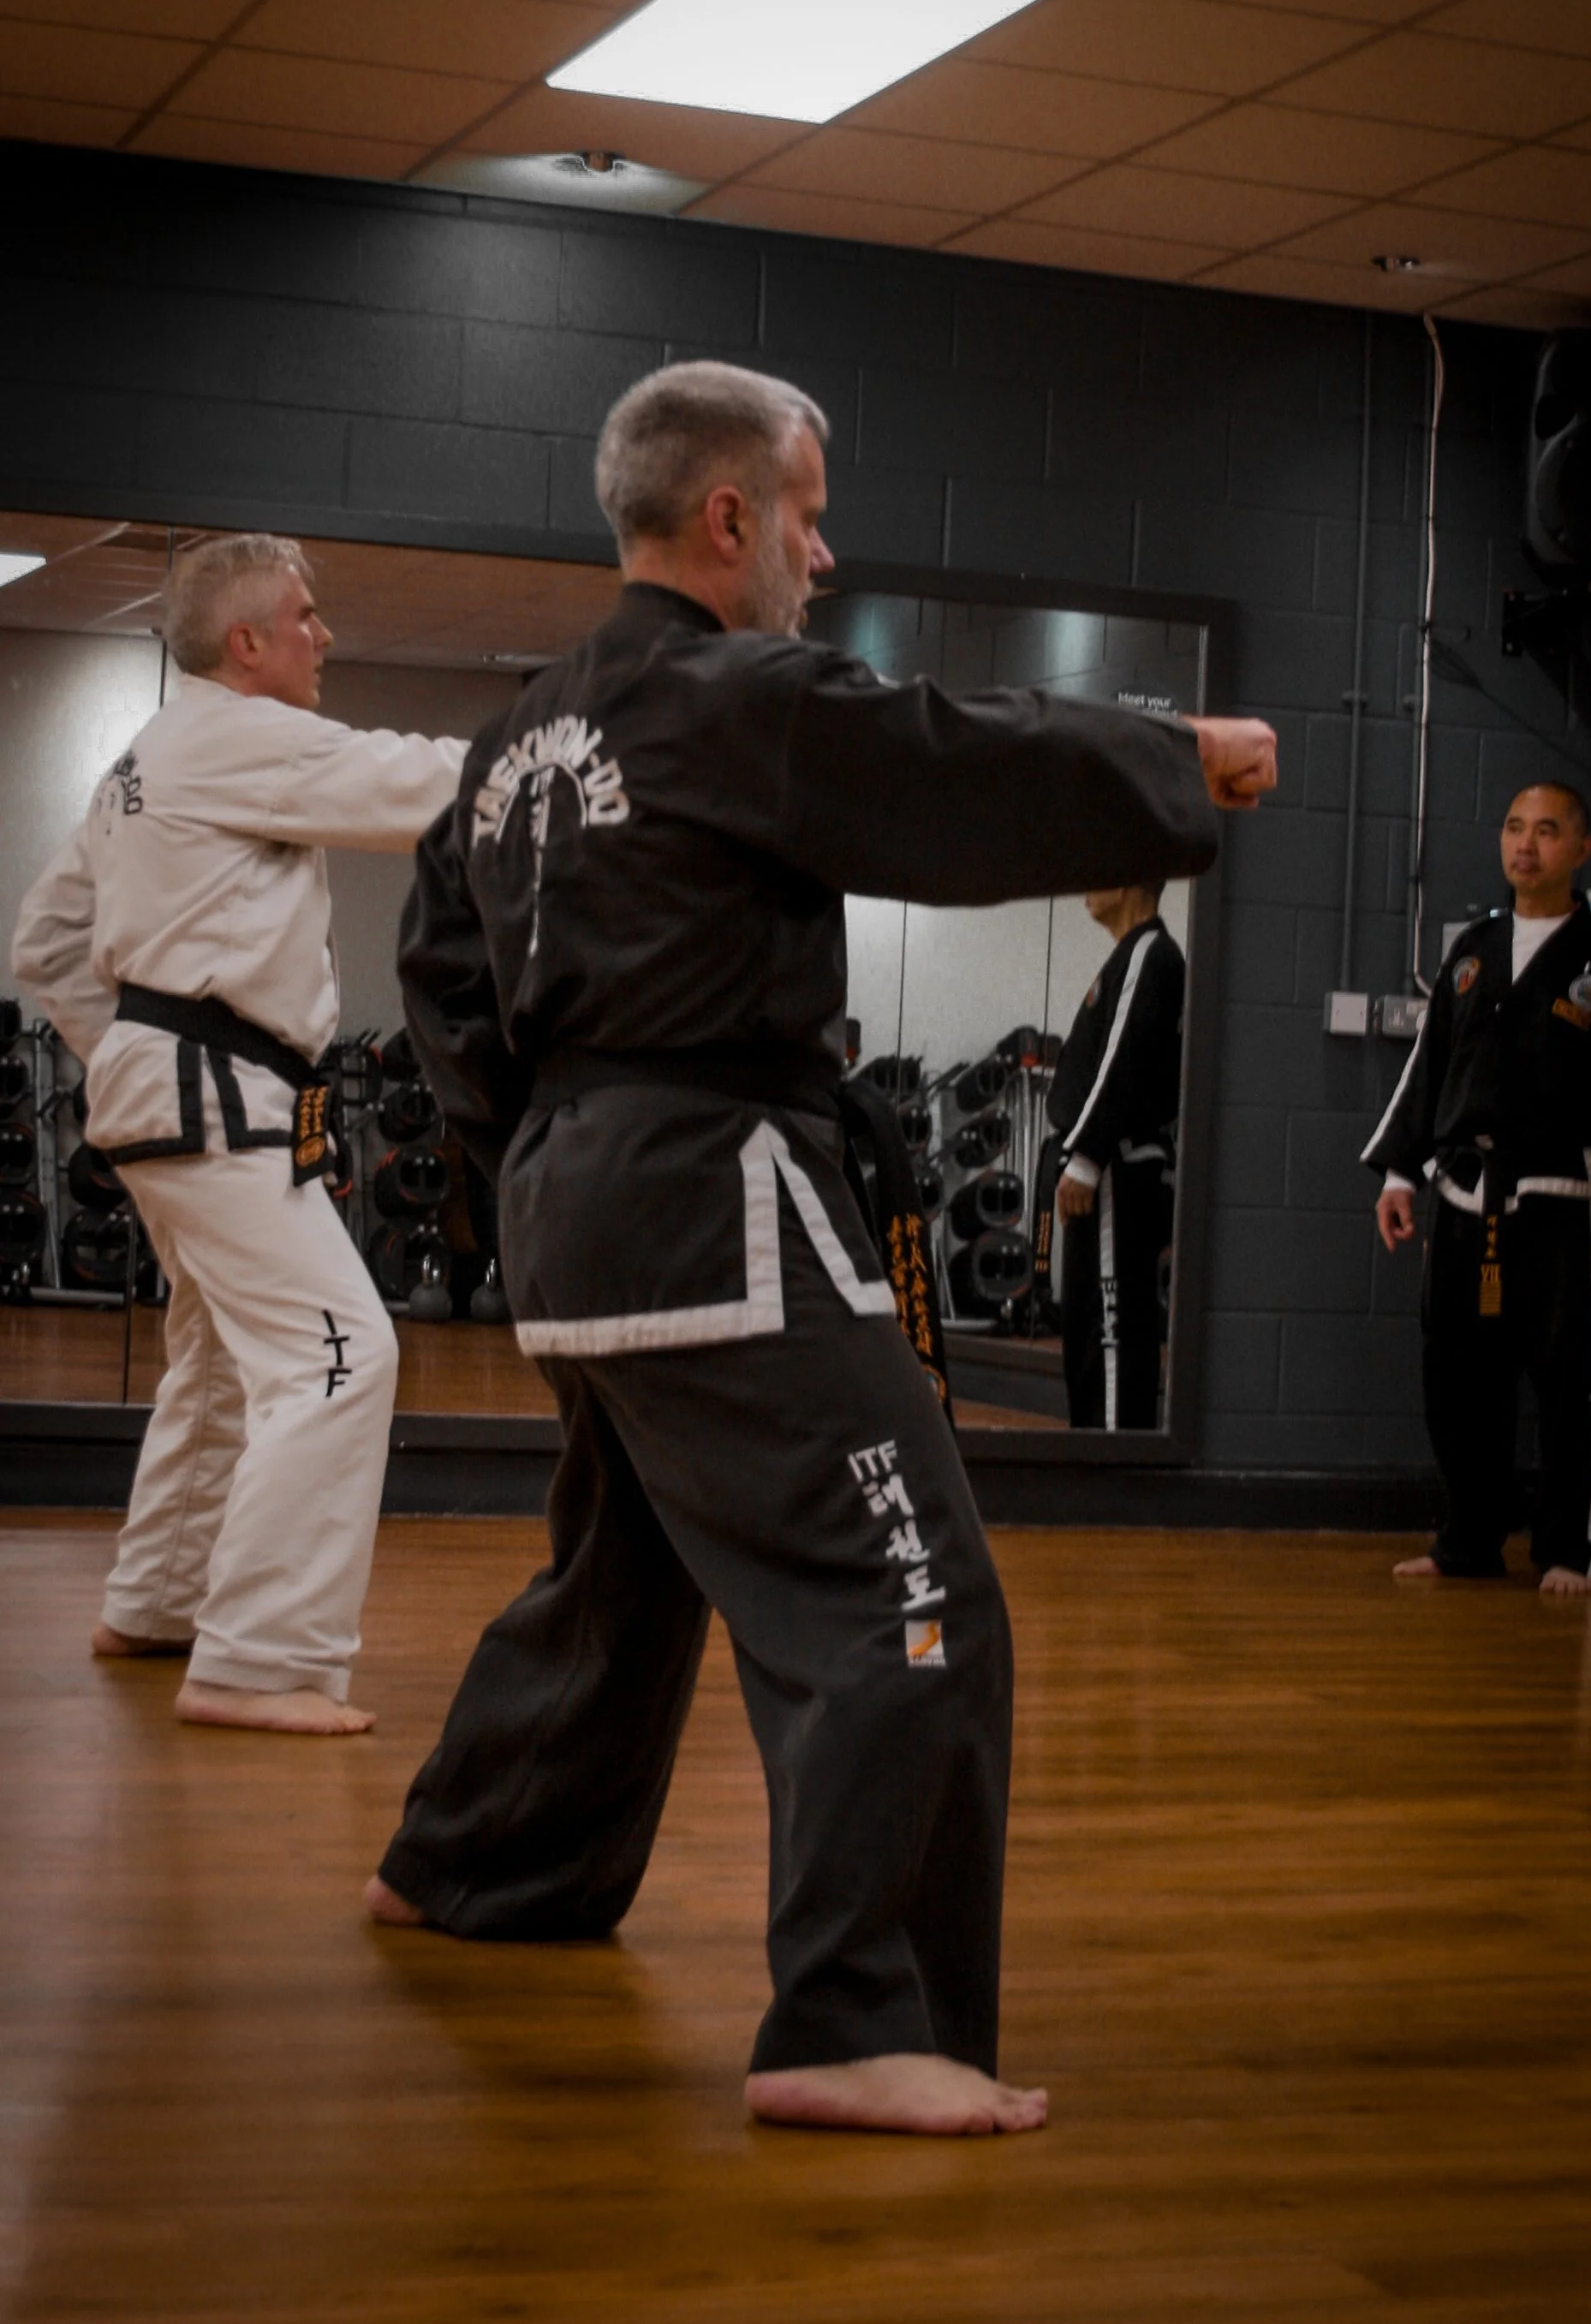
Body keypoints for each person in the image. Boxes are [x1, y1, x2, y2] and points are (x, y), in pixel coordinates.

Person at [364, 360, 1278, 2136]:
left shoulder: (520, 731)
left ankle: (477, 1860)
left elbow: (438, 978)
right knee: (908, 1583)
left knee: (624, 1568)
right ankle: (856, 2011)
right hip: (715, 1189)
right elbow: (936, 756)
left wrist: (546, 1153)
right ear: (727, 518)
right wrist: (1170, 758)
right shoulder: (729, 691)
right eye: (806, 506)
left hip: (575, 1202)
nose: (820, 541)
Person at [11, 535, 466, 1732]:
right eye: (305, 617)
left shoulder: (136, 766)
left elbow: (44, 946)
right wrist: (578, 754)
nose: (325, 636)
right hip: (214, 1102)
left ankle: (156, 1603)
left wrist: (128, 1056)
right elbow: (409, 781)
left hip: (184, 1102)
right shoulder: (234, 732)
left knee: (217, 1369)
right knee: (341, 1355)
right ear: (245, 642)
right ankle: (261, 1658)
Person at [1365, 782, 1591, 1594]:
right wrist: (1400, 1172)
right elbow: (1428, 1070)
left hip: (1561, 1198)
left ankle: (1575, 1548)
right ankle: (1468, 1539)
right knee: (1457, 1377)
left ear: (1580, 848)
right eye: (1512, 827)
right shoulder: (1471, 947)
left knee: (1571, 1382)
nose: (1524, 843)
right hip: (1464, 1198)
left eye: (1546, 830)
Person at [1046, 882, 1183, 1427]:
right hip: (1104, 1172)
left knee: (1109, 1337)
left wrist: (1086, 1157)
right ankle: (1094, 1453)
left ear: (1131, 880)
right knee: (1085, 1331)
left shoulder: (1151, 952)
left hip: (1114, 1175)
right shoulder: (1130, 954)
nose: (1086, 886)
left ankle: (1113, 1464)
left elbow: (1120, 1061)